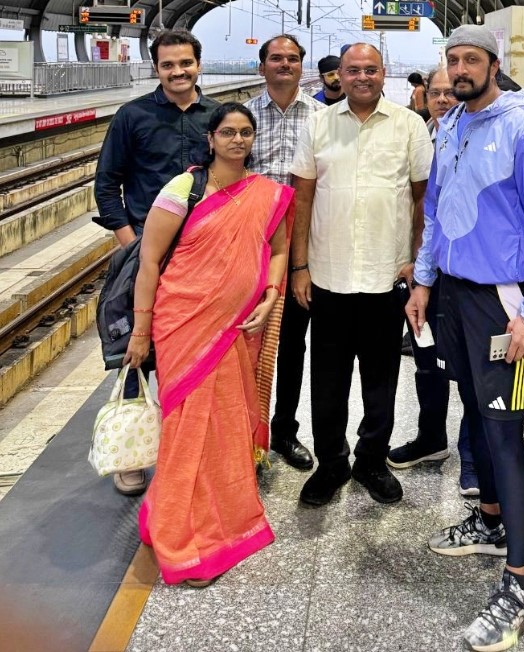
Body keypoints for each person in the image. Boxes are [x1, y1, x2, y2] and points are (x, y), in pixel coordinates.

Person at [408, 26, 524, 651]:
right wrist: (424, 281)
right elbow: (435, 214)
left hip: (503, 304)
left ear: (493, 65)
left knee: (504, 430)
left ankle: (521, 584)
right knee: (476, 417)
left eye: (470, 59)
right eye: (451, 60)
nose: (459, 69)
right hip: (453, 295)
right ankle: (492, 520)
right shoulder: (448, 124)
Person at [124, 102, 293, 586]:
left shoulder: (268, 194)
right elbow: (150, 262)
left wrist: (270, 293)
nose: (238, 141)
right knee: (187, 429)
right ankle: (183, 530)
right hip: (182, 322)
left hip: (240, 327)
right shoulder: (183, 189)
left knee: (224, 426)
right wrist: (140, 331)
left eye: (245, 133)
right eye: (228, 133)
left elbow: (278, 249)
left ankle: (222, 523)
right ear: (211, 139)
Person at [290, 43, 434, 506]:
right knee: (327, 379)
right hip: (328, 276)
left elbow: (421, 201)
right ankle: (331, 462)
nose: (362, 77)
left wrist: (417, 262)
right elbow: (303, 199)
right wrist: (299, 266)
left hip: (385, 277)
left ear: (383, 73)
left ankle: (371, 460)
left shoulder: (409, 126)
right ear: (340, 76)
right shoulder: (317, 123)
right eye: (353, 70)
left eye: (370, 70)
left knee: (380, 378)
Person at [94, 28, 219, 497]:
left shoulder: (215, 117)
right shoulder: (133, 116)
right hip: (147, 251)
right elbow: (107, 184)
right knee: (135, 349)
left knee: (192, 352)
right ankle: (131, 452)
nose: (178, 72)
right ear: (156, 68)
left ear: (197, 64)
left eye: (185, 63)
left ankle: (183, 446)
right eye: (168, 65)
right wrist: (133, 244)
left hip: (204, 254)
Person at [386, 67, 478, 497]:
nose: (442, 99)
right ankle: (431, 438)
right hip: (423, 271)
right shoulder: (417, 134)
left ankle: (474, 458)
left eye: (448, 92)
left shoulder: (475, 135)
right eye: (435, 92)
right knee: (427, 358)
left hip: (467, 274)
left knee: (472, 368)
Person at [245, 34, 323, 471]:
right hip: (248, 246)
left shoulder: (321, 116)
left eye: (293, 59)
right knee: (243, 346)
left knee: (292, 344)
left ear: (301, 66)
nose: (285, 65)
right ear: (262, 67)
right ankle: (242, 433)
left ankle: (285, 432)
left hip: (297, 247)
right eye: (276, 58)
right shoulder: (242, 118)